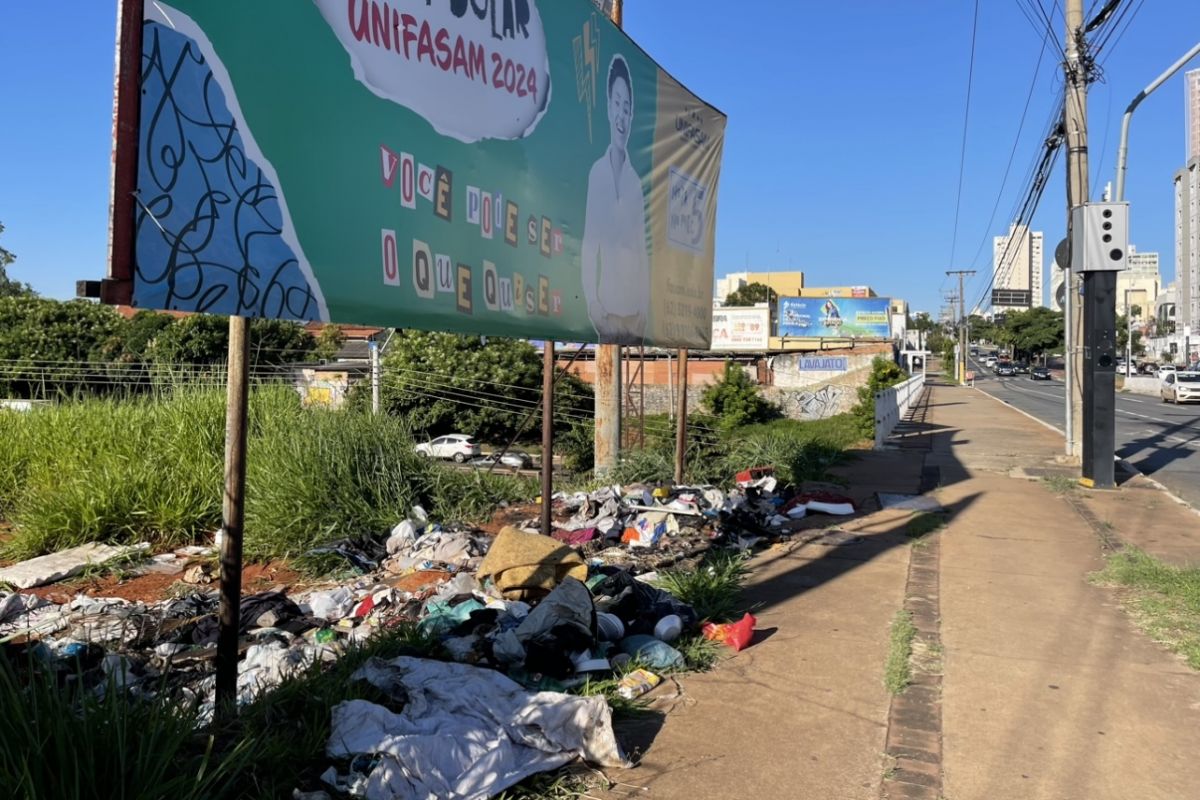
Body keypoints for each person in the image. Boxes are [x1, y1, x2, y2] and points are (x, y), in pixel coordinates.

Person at [580, 54, 650, 344]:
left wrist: (644, 308)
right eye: (617, 104)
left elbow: (642, 250)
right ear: (608, 108)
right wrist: (593, 304)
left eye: (627, 107)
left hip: (634, 316)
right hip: (606, 314)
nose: (622, 115)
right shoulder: (597, 173)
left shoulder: (636, 182)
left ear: (631, 115)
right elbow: (588, 245)